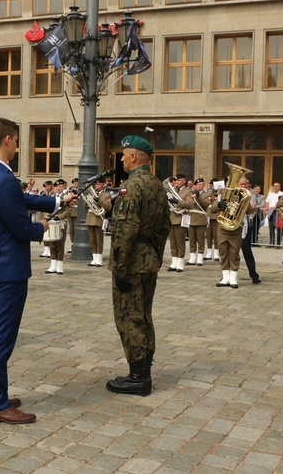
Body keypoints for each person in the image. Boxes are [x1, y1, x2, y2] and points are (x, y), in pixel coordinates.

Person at [0, 117, 77, 424]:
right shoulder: (4, 180)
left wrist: (57, 200)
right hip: (9, 268)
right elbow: (20, 227)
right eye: (17, 140)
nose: (18, 146)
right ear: (6, 140)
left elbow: (19, 198)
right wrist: (43, 226)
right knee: (1, 339)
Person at [106, 135, 170, 396]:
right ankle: (143, 370)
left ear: (133, 157)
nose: (121, 159)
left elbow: (124, 230)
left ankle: (138, 377)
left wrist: (119, 267)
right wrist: (155, 254)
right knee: (143, 316)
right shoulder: (156, 184)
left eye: (124, 155)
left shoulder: (131, 187)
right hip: (148, 261)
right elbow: (165, 226)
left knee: (128, 318)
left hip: (131, 263)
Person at [45, 179, 74, 275]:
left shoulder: (67, 197)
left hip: (61, 223)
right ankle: (53, 264)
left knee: (60, 245)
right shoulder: (52, 197)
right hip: (52, 223)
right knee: (52, 244)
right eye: (56, 186)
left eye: (60, 186)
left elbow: (68, 212)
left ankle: (59, 266)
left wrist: (59, 217)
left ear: (64, 187)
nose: (58, 188)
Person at [238, 178, 262, 285]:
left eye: (246, 184)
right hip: (234, 226)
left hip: (245, 225)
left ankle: (254, 275)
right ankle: (228, 275)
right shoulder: (232, 194)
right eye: (242, 184)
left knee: (247, 251)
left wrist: (252, 208)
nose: (244, 185)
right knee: (232, 253)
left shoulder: (249, 194)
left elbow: (250, 209)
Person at [166, 174, 191, 272]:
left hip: (180, 218)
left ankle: (180, 262)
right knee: (173, 242)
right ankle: (174, 262)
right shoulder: (173, 191)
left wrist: (177, 201)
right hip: (172, 218)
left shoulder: (188, 192)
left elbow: (190, 204)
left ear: (184, 181)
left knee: (180, 242)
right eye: (176, 181)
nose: (177, 182)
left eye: (179, 180)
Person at [185, 178, 211, 266]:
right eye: (198, 185)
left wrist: (198, 197)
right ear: (195, 186)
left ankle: (200, 258)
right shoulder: (190, 193)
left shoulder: (207, 194)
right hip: (191, 218)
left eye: (202, 185)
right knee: (192, 240)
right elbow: (188, 204)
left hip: (200, 219)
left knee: (200, 240)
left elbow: (206, 204)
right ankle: (192, 258)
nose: (200, 186)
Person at [86, 177, 108, 267]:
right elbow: (85, 205)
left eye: (99, 184)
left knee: (99, 239)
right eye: (96, 184)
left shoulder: (106, 195)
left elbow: (108, 206)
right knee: (92, 240)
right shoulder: (92, 193)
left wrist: (98, 200)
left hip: (99, 218)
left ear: (103, 185)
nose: (97, 186)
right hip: (90, 218)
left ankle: (99, 259)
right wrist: (89, 199)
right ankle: (94, 258)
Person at [263, 182, 283, 247]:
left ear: (280, 187)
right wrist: (266, 208)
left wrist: (276, 207)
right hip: (271, 212)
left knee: (279, 228)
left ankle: (278, 243)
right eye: (274, 186)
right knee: (271, 227)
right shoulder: (270, 194)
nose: (275, 187)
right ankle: (271, 242)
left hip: (278, 212)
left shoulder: (282, 194)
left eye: (277, 186)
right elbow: (267, 202)